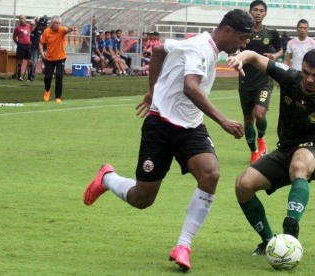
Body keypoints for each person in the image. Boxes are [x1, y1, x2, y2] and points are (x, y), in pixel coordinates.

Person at [83, 9, 254, 271]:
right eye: (241, 39)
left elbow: (161, 50)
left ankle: (183, 245)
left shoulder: (198, 44)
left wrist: (153, 89)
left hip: (191, 128)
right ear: (227, 31)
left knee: (211, 174)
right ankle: (107, 178)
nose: (241, 45)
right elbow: (191, 87)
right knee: (143, 199)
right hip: (160, 126)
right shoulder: (199, 48)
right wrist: (223, 120)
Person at [227, 48, 315, 255]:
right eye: (306, 73)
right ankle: (269, 241)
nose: (309, 80)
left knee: (299, 162)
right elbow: (255, 57)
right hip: (286, 150)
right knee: (243, 185)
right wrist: (240, 58)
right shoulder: (289, 77)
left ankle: (291, 226)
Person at [239, 0, 283, 164]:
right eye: (255, 10)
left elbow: (280, 50)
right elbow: (236, 48)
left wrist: (275, 56)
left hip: (264, 80)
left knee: (260, 113)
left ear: (265, 13)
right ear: (250, 12)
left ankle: (262, 139)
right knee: (249, 119)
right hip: (245, 80)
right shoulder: (243, 32)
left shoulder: (271, 33)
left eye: (261, 11)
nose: (258, 13)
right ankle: (254, 152)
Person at [39, 16, 77, 103]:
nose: (58, 25)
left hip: (61, 58)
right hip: (49, 58)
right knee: (47, 77)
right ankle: (47, 90)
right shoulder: (47, 31)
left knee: (59, 76)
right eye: (56, 23)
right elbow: (41, 44)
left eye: (59, 23)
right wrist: (42, 52)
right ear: (52, 23)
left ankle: (58, 97)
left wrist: (71, 29)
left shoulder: (61, 30)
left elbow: (67, 30)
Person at [13, 15, 35, 81]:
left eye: (23, 18)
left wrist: (34, 24)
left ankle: (30, 76)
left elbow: (32, 30)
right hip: (21, 46)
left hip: (28, 46)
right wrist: (18, 43)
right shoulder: (17, 28)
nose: (21, 19)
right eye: (20, 18)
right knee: (20, 61)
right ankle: (19, 76)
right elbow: (14, 37)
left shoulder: (28, 26)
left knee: (30, 61)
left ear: (25, 19)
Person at [29, 16, 47, 81]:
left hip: (43, 48)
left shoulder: (47, 30)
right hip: (36, 47)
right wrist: (35, 23)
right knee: (34, 62)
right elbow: (31, 31)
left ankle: (48, 75)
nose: (42, 26)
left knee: (46, 62)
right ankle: (32, 76)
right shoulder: (36, 28)